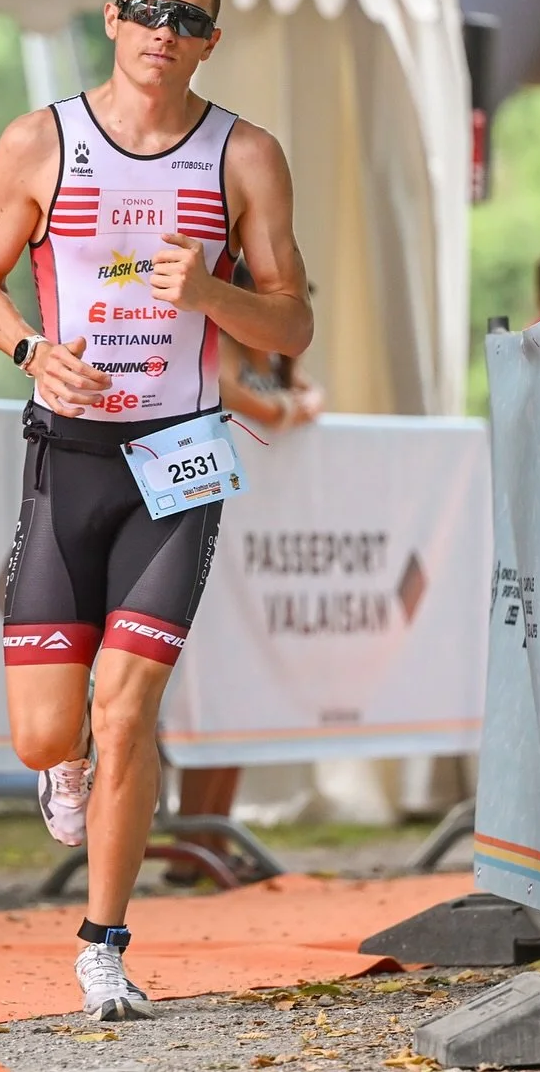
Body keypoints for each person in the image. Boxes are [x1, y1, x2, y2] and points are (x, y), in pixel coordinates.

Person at [0, 0, 313, 1020]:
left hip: (179, 456)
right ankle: (57, 767)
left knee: (131, 707)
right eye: (149, 12)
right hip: (67, 456)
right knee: (46, 732)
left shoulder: (243, 156)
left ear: (211, 40)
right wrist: (27, 348)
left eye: (189, 20)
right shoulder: (40, 141)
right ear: (112, 18)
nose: (166, 34)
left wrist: (211, 295)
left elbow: (293, 318)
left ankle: (103, 942)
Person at [166, 259, 323, 887]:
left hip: (247, 544)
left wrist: (293, 402)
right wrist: (282, 411)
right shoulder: (220, 333)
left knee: (235, 686)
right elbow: (228, 390)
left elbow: (311, 392)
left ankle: (213, 832)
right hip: (204, 521)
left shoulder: (271, 356)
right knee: (204, 683)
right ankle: (188, 838)